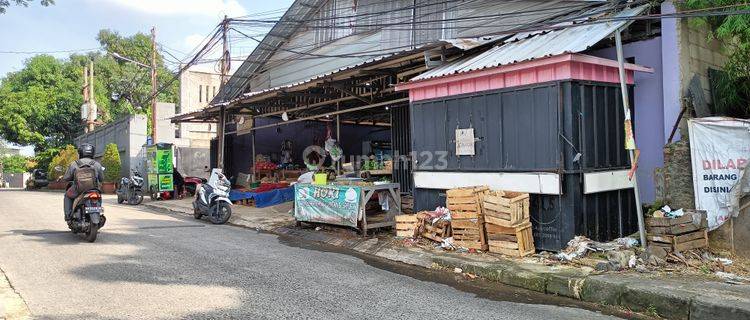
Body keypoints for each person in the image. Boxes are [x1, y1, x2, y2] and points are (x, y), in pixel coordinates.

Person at [61, 143, 104, 221]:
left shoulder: (74, 164)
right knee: (99, 196)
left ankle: (68, 215)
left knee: (67, 196)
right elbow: (101, 179)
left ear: (80, 152)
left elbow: (67, 178)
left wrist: (64, 178)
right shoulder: (97, 164)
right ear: (92, 153)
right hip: (94, 189)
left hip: (77, 190)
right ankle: (98, 211)